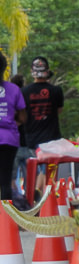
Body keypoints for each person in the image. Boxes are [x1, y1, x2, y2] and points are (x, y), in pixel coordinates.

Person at [0, 53, 26, 201]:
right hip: (8, 139)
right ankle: (5, 220)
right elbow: (23, 118)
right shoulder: (14, 89)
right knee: (5, 180)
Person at [23, 57, 64, 150]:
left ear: (31, 71)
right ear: (48, 71)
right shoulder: (56, 90)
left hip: (32, 139)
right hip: (52, 139)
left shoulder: (24, 92)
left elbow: (22, 115)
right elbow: (59, 110)